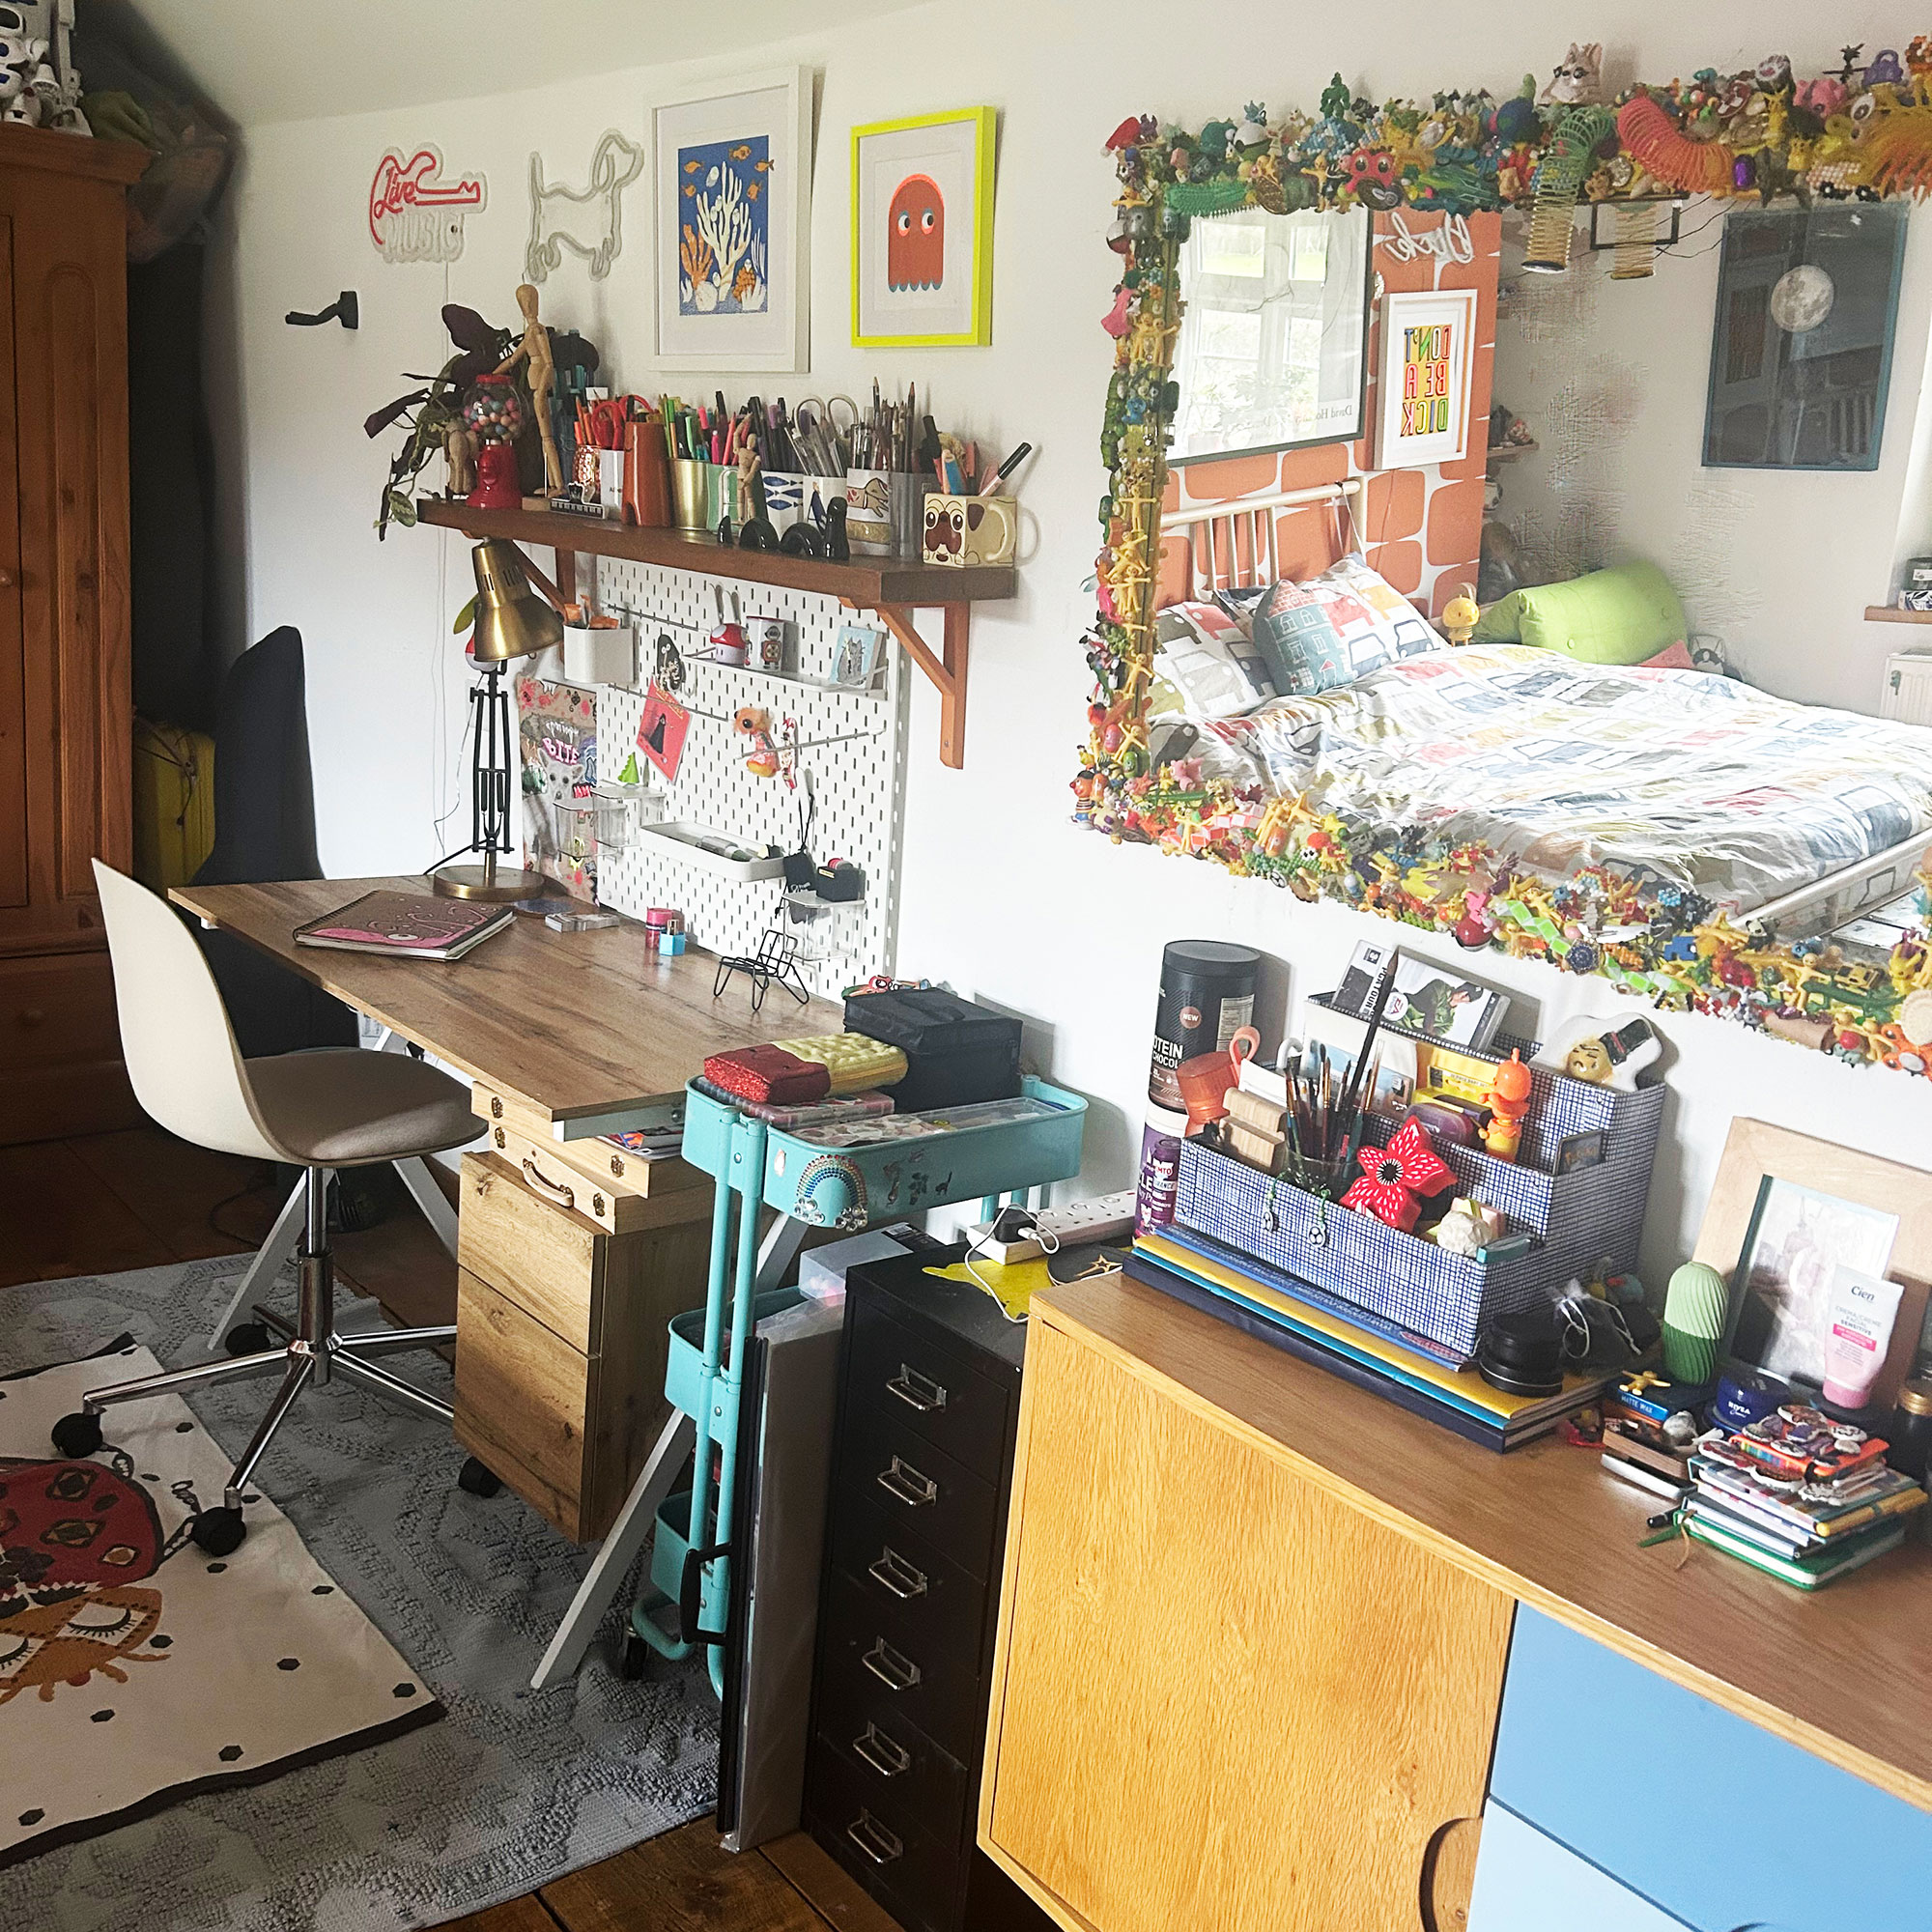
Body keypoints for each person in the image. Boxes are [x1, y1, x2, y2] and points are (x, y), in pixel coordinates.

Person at [495, 283, 562, 496]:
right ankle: (552, 483)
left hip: (541, 388)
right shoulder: (531, 330)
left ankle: (559, 485)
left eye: (527, 302)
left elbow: (549, 363)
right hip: (535, 388)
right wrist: (492, 376)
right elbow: (514, 359)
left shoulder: (538, 331)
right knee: (543, 437)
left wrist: (542, 389)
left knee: (547, 437)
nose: (526, 307)